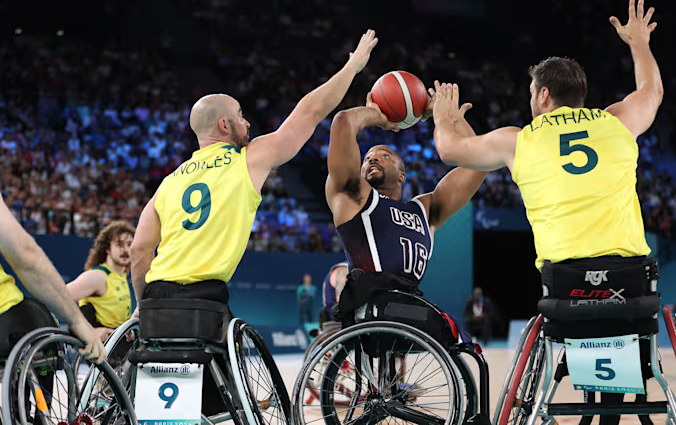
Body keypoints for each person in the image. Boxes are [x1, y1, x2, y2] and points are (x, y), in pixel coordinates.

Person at [432, 0, 661, 424]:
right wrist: (639, 44)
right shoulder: (616, 122)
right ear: (581, 96)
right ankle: (615, 403)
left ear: (542, 94)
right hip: (631, 289)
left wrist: (443, 118)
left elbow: (449, 151)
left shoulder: (520, 140)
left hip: (566, 292)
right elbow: (651, 92)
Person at [129, 30, 380, 417]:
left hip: (158, 301)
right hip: (206, 302)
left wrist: (140, 304)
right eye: (242, 115)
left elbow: (139, 250)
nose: (248, 122)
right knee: (225, 409)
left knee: (162, 410)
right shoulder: (247, 159)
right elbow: (310, 113)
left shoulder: (169, 182)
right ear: (226, 126)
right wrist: (353, 66)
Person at [325, 90, 486, 319]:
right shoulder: (354, 197)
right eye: (367, 157)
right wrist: (374, 115)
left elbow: (479, 163)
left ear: (402, 175)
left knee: (461, 342)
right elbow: (343, 122)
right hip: (371, 308)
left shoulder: (424, 209)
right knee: (446, 332)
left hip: (409, 306)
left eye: (384, 156)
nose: (372, 159)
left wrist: (450, 118)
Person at [0, 194, 105, 365]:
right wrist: (78, 321)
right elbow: (24, 254)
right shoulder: (98, 276)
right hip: (6, 316)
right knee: (41, 322)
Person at [67, 221, 135, 342]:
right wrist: (90, 331)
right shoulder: (97, 276)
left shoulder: (122, 275)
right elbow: (59, 298)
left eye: (129, 244)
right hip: (104, 347)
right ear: (108, 249)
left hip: (120, 340)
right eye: (119, 245)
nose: (125, 250)